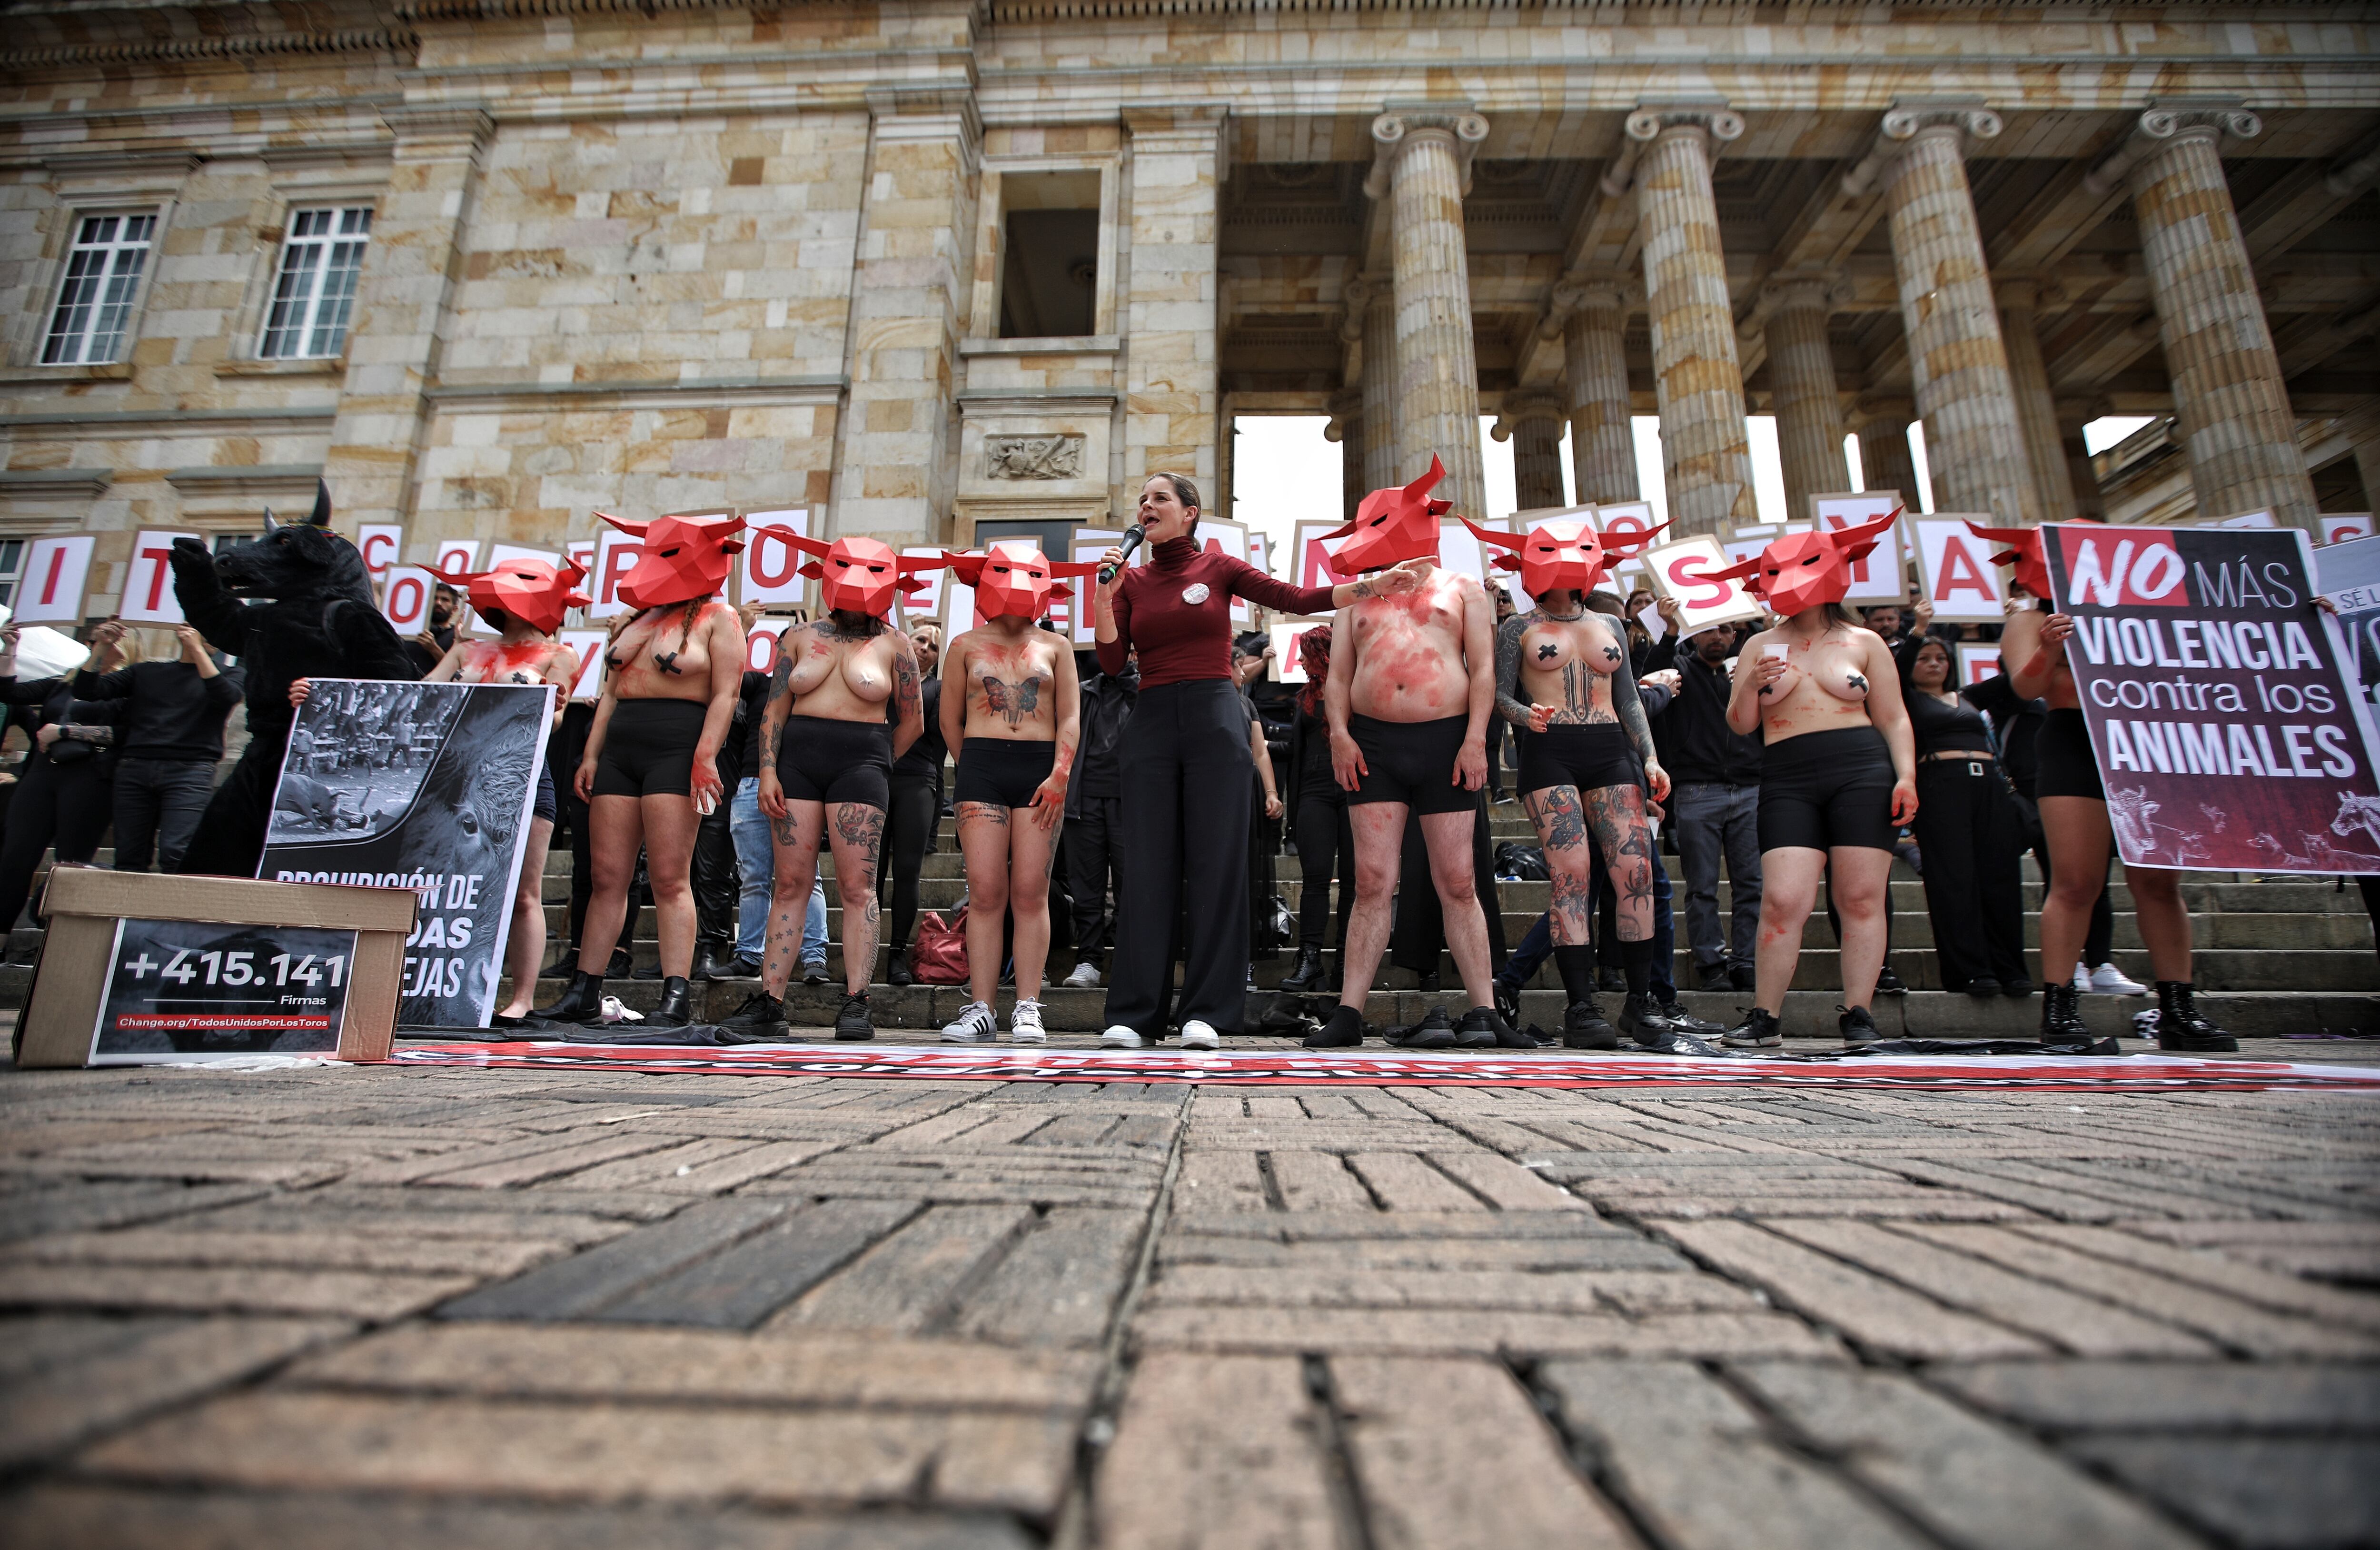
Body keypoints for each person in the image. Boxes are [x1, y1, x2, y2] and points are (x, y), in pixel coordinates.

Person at [1092, 470, 1422, 1050]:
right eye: (1141, 500)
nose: (1146, 505)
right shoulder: (1131, 580)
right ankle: (1136, 1013)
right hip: (1151, 722)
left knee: (1216, 862)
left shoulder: (1217, 568)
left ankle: (1206, 1011)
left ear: (1189, 512)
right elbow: (1113, 661)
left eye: (1159, 498)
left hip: (1214, 716)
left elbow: (1292, 598)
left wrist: (1369, 586)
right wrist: (1103, 594)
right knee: (1146, 865)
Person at [1302, 458, 1524, 1051]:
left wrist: (1475, 739)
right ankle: (1348, 1011)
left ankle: (1485, 1009)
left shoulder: (1463, 588)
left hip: (1444, 741)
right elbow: (1336, 676)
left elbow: (1482, 670)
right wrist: (1339, 733)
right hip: (1373, 744)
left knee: (1458, 880)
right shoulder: (1356, 599)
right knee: (1371, 880)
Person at [1987, 523, 2235, 1048]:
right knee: (2076, 882)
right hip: (2074, 739)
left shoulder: (2147, 612)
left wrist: (2305, 621)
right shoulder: (2028, 619)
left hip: (2147, 739)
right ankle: (2059, 1011)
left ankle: (2178, 1008)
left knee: (2159, 883)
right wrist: (2049, 647)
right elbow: (2026, 687)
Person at [718, 533, 938, 1043]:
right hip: (797, 764)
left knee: (858, 887)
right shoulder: (798, 637)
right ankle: (771, 1001)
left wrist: (878, 763)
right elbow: (774, 710)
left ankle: (858, 1002)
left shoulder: (896, 644)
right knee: (790, 883)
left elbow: (912, 720)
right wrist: (768, 771)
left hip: (862, 764)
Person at [535, 512, 746, 1031]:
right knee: (607, 876)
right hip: (620, 746)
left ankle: (676, 994)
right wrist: (590, 755)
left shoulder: (720, 617)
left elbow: (727, 693)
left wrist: (705, 756)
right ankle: (584, 989)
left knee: (670, 877)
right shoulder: (640, 619)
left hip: (677, 744)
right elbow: (609, 693)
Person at [1715, 511, 1916, 1047]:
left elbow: (1893, 715)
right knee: (1783, 899)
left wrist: (1906, 776)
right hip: (1786, 773)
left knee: (1861, 897)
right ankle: (1764, 1016)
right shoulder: (1758, 645)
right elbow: (1740, 724)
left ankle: (1858, 1013)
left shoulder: (1864, 640)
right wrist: (1749, 686)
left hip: (1862, 768)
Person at [1477, 514, 1671, 1048]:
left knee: (1634, 870)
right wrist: (1524, 715)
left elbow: (1628, 697)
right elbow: (1498, 693)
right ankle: (1580, 1006)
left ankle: (1639, 1002)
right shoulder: (1518, 627)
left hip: (1610, 751)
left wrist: (1650, 758)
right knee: (1572, 875)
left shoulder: (1608, 624)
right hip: (1550, 751)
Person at [419, 556, 588, 1027]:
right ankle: (440, 990)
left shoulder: (559, 654)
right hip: (454, 782)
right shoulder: (463, 650)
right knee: (445, 889)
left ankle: (522, 998)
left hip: (523, 778)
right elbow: (423, 696)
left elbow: (555, 720)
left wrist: (550, 705)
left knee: (524, 893)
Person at [935, 547, 1088, 1043]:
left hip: (1041, 769)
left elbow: (1070, 714)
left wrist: (1060, 773)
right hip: (981, 766)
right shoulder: (963, 644)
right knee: (985, 892)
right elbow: (949, 718)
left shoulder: (1057, 645)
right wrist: (973, 768)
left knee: (1030, 891)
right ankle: (981, 1007)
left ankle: (1027, 1006)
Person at [1963, 593, 2141, 997]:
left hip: (2098, 767)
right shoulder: (2007, 687)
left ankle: (2100, 962)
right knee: (2068, 878)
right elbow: (1980, 697)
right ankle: (2071, 966)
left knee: (2096, 878)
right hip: (2038, 787)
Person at [1901, 635, 2031, 999]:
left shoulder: (1969, 697)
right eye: (1924, 658)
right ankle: (1970, 971)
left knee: (2001, 876)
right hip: (1940, 786)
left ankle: (2010, 969)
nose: (1934, 664)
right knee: (1953, 879)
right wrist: (1917, 632)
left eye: (1941, 657)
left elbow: (2016, 677)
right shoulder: (1906, 698)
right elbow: (1894, 672)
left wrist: (2022, 629)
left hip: (1989, 786)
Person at [1644, 606, 1764, 993]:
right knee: (1702, 887)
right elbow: (1649, 677)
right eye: (1709, 630)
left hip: (1750, 789)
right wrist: (1670, 632)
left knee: (1752, 885)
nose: (1717, 636)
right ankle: (1710, 965)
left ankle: (1747, 963)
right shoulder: (1678, 670)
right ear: (1694, 636)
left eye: (1725, 630)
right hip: (1696, 791)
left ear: (1735, 636)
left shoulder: (1746, 674)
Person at [73, 622, 244, 874]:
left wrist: (197, 650)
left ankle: (171, 901)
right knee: (130, 856)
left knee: (177, 852)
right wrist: (102, 647)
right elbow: (86, 691)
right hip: (136, 767)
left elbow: (227, 697)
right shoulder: (147, 671)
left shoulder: (231, 674)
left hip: (190, 771)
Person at [0, 626, 116, 930]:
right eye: (91, 641)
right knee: (14, 858)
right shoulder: (63, 682)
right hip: (42, 772)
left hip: (91, 776)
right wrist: (10, 649)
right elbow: (9, 692)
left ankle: (54, 937)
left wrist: (65, 732)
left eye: (103, 641)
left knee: (71, 864)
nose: (94, 646)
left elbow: (130, 732)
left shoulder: (129, 685)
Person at [1279, 625, 1355, 992]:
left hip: (1355, 789)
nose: (1299, 660)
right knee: (1315, 878)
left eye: (1305, 654)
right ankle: (1310, 960)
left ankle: (1346, 963)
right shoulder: (1305, 697)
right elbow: (1295, 750)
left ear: (1323, 654)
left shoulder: (1356, 688)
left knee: (1356, 882)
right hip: (1313, 792)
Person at [1062, 646, 1136, 986]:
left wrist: (1131, 681)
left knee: (1130, 886)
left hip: (1131, 802)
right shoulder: (1084, 690)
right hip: (1083, 800)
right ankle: (1089, 960)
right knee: (1086, 888)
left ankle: (1126, 959)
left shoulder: (1145, 689)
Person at [883, 620, 946, 985]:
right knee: (870, 874)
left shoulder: (939, 688)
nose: (924, 648)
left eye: (933, 646)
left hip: (918, 780)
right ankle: (866, 951)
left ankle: (897, 954)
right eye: (920, 639)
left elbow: (938, 742)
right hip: (876, 776)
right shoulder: (882, 676)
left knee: (907, 871)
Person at [402, 582, 463, 676]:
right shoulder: (408, 631)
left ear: (455, 609)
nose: (438, 603)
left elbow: (458, 675)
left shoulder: (459, 636)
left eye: (445, 600)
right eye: (434, 598)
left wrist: (434, 649)